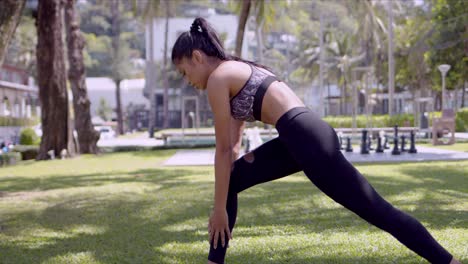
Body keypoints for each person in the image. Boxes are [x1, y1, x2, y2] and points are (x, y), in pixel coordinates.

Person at [171, 17, 461, 264]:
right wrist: (221, 203)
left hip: (304, 138)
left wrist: (220, 209)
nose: (189, 81)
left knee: (377, 210)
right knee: (233, 178)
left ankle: (449, 261)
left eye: (185, 72)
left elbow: (222, 150)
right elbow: (232, 148)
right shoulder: (234, 69)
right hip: (301, 135)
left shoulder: (218, 79)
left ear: (197, 57)